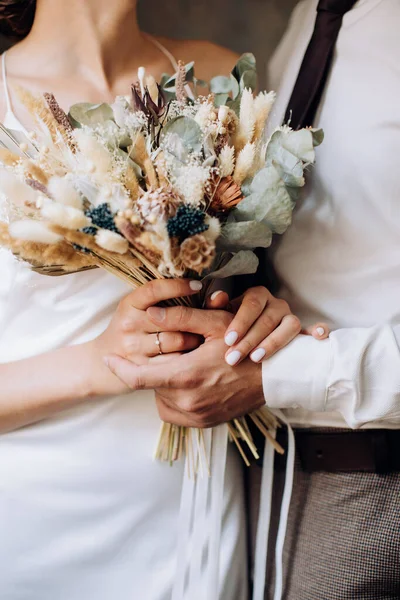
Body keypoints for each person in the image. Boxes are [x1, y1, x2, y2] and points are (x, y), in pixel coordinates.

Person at [0, 1, 331, 598]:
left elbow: (269, 274)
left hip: (195, 507)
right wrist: (105, 360)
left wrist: (264, 313)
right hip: (32, 527)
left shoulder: (224, 83)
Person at [107, 0, 400, 599]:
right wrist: (235, 304)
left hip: (379, 483)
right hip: (260, 480)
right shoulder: (315, 20)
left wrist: (278, 372)